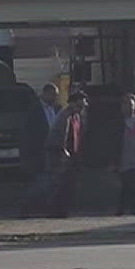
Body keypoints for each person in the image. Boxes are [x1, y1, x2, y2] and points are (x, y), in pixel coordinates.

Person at [47, 88, 86, 217]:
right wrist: (63, 151)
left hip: (71, 154)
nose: (81, 108)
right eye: (79, 105)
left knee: (69, 184)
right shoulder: (65, 116)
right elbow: (61, 135)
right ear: (72, 103)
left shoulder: (77, 117)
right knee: (59, 183)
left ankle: (63, 210)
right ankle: (54, 210)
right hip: (59, 153)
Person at [19, 83, 58, 214]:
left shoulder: (56, 109)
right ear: (45, 93)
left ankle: (46, 207)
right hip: (38, 152)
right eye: (53, 95)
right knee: (39, 182)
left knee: (50, 182)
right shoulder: (34, 110)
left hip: (53, 151)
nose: (55, 98)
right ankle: (27, 207)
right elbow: (28, 133)